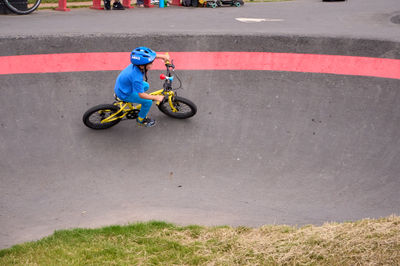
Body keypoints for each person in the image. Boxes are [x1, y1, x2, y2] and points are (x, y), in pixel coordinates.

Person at [114, 47, 169, 127]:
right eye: (150, 63)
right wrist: (156, 97)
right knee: (148, 102)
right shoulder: (137, 77)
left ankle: (131, 99)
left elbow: (149, 57)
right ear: (142, 66)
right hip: (124, 93)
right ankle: (141, 120)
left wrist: (162, 57)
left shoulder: (136, 65)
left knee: (146, 85)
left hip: (122, 87)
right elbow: (141, 95)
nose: (152, 64)